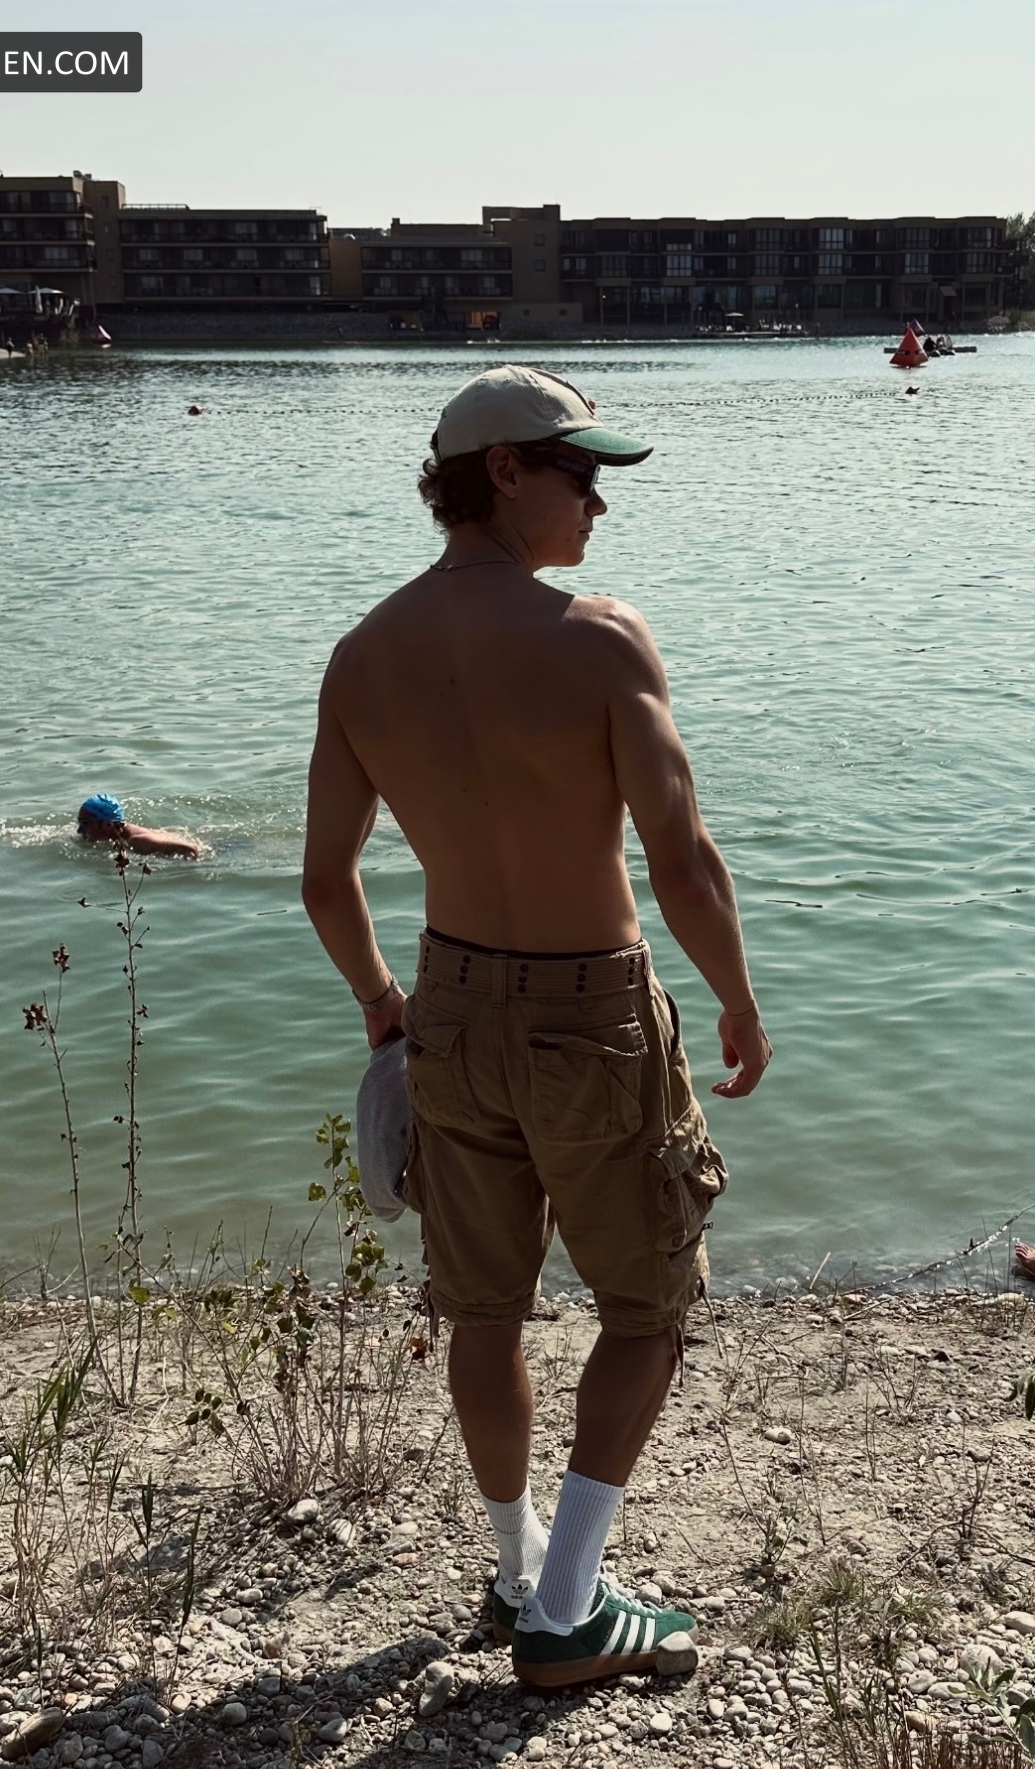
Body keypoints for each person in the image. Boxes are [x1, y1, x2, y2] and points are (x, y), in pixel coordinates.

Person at [301, 364, 772, 1686]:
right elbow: (682, 863)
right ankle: (566, 1611)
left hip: (449, 1009)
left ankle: (515, 1575)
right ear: (502, 473)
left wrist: (385, 1009)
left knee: (483, 1310)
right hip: (590, 1009)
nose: (598, 504)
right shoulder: (600, 638)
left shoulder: (363, 655)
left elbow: (325, 881)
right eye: (581, 475)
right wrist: (738, 997)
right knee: (648, 1306)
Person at [76, 793, 201, 859]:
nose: (79, 830)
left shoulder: (138, 841)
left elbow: (191, 850)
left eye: (85, 823)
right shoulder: (120, 831)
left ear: (107, 824)